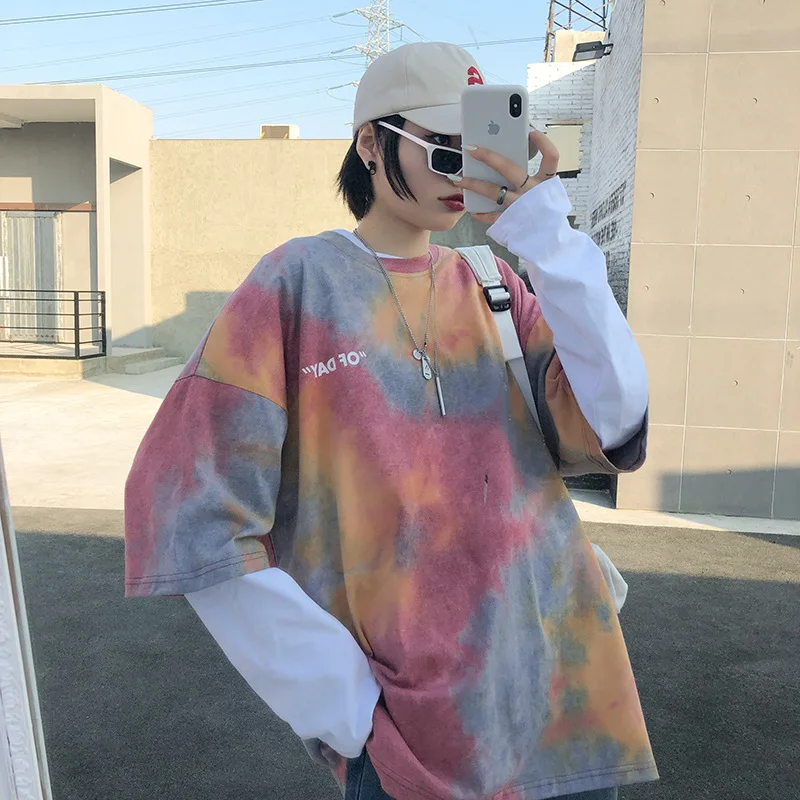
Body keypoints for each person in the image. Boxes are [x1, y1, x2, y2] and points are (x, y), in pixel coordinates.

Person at [124, 41, 657, 800]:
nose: (463, 172)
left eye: (479, 148)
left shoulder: (492, 283)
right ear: (370, 144)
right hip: (414, 742)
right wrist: (348, 713)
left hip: (567, 707)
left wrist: (547, 234)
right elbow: (191, 515)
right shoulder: (297, 284)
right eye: (444, 148)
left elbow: (619, 420)